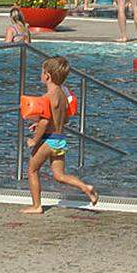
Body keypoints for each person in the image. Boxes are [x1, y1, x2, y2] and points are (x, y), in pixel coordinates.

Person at [22, 57, 99, 214]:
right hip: (60, 139)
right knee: (59, 175)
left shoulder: (47, 97)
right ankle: (85, 187)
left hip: (47, 140)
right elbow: (64, 119)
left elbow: (44, 122)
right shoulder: (63, 95)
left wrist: (34, 140)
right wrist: (42, 124)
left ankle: (37, 206)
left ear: (47, 76)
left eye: (42, 72)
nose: (41, 75)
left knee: (32, 170)